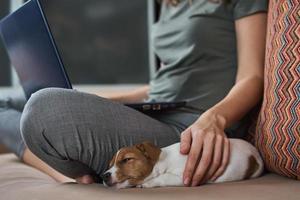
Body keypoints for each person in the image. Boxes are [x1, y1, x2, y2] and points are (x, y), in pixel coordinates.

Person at [0, 0, 268, 187]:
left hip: (190, 130)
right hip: (156, 113)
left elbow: (252, 76)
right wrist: (100, 103)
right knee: (5, 104)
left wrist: (215, 119)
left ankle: (66, 168)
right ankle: (65, 172)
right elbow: (164, 84)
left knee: (43, 108)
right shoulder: (170, 3)